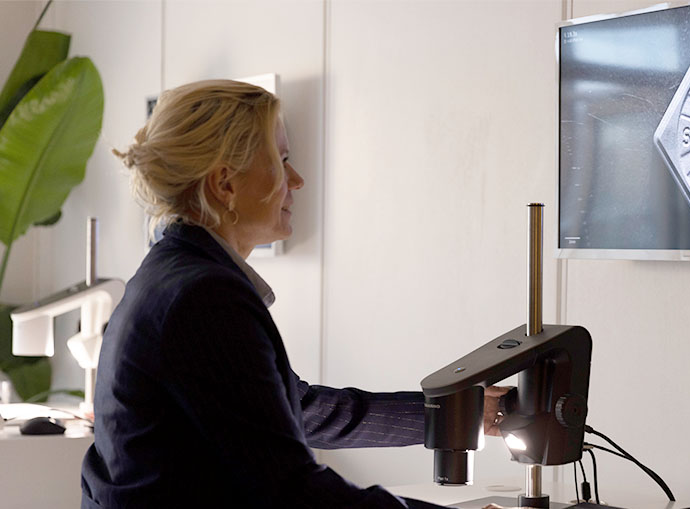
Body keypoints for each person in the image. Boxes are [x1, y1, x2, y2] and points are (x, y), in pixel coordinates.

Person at [80, 80, 509, 509]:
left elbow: (297, 411)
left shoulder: (170, 276)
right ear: (224, 184)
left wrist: (454, 415)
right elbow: (291, 493)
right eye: (283, 161)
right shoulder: (204, 298)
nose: (297, 180)